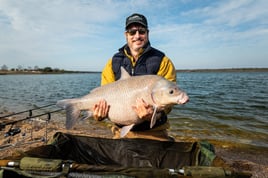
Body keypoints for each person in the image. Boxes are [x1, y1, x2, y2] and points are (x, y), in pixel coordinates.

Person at [93, 13, 177, 141]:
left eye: (141, 31)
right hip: (120, 132)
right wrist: (98, 115)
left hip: (155, 132)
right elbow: (104, 95)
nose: (137, 36)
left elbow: (170, 100)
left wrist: (155, 115)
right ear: (126, 35)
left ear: (147, 33)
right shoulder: (112, 62)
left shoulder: (163, 61)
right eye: (132, 32)